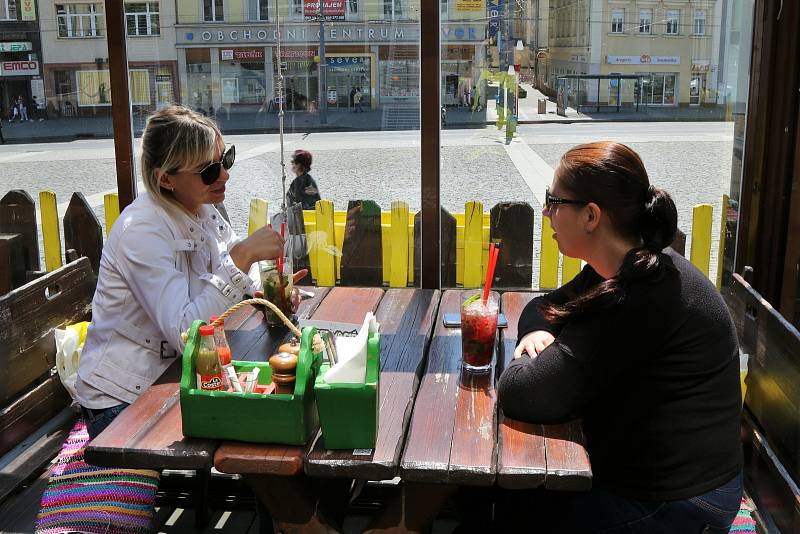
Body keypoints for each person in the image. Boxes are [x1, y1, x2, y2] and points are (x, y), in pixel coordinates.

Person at [496, 141, 743, 533]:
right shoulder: (625, 264)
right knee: (493, 496)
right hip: (670, 482)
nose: (545, 212)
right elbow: (544, 306)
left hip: (683, 506)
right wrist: (538, 332)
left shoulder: (635, 295)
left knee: (501, 506)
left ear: (591, 216)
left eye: (553, 200)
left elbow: (521, 393)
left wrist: (526, 356)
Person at [75, 105, 293, 440]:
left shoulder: (200, 209)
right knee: (269, 428)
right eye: (209, 171)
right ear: (165, 178)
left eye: (226, 159)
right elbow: (186, 334)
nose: (224, 175)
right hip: (123, 401)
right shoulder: (142, 231)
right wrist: (243, 258)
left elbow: (234, 280)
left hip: (175, 377)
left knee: (279, 414)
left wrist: (266, 294)